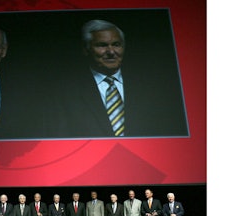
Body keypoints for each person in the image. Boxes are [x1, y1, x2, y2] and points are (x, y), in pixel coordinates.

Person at [46, 19, 188, 138]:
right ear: (86, 49)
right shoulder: (65, 92)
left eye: (116, 45)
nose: (111, 52)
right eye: (102, 45)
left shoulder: (149, 88)